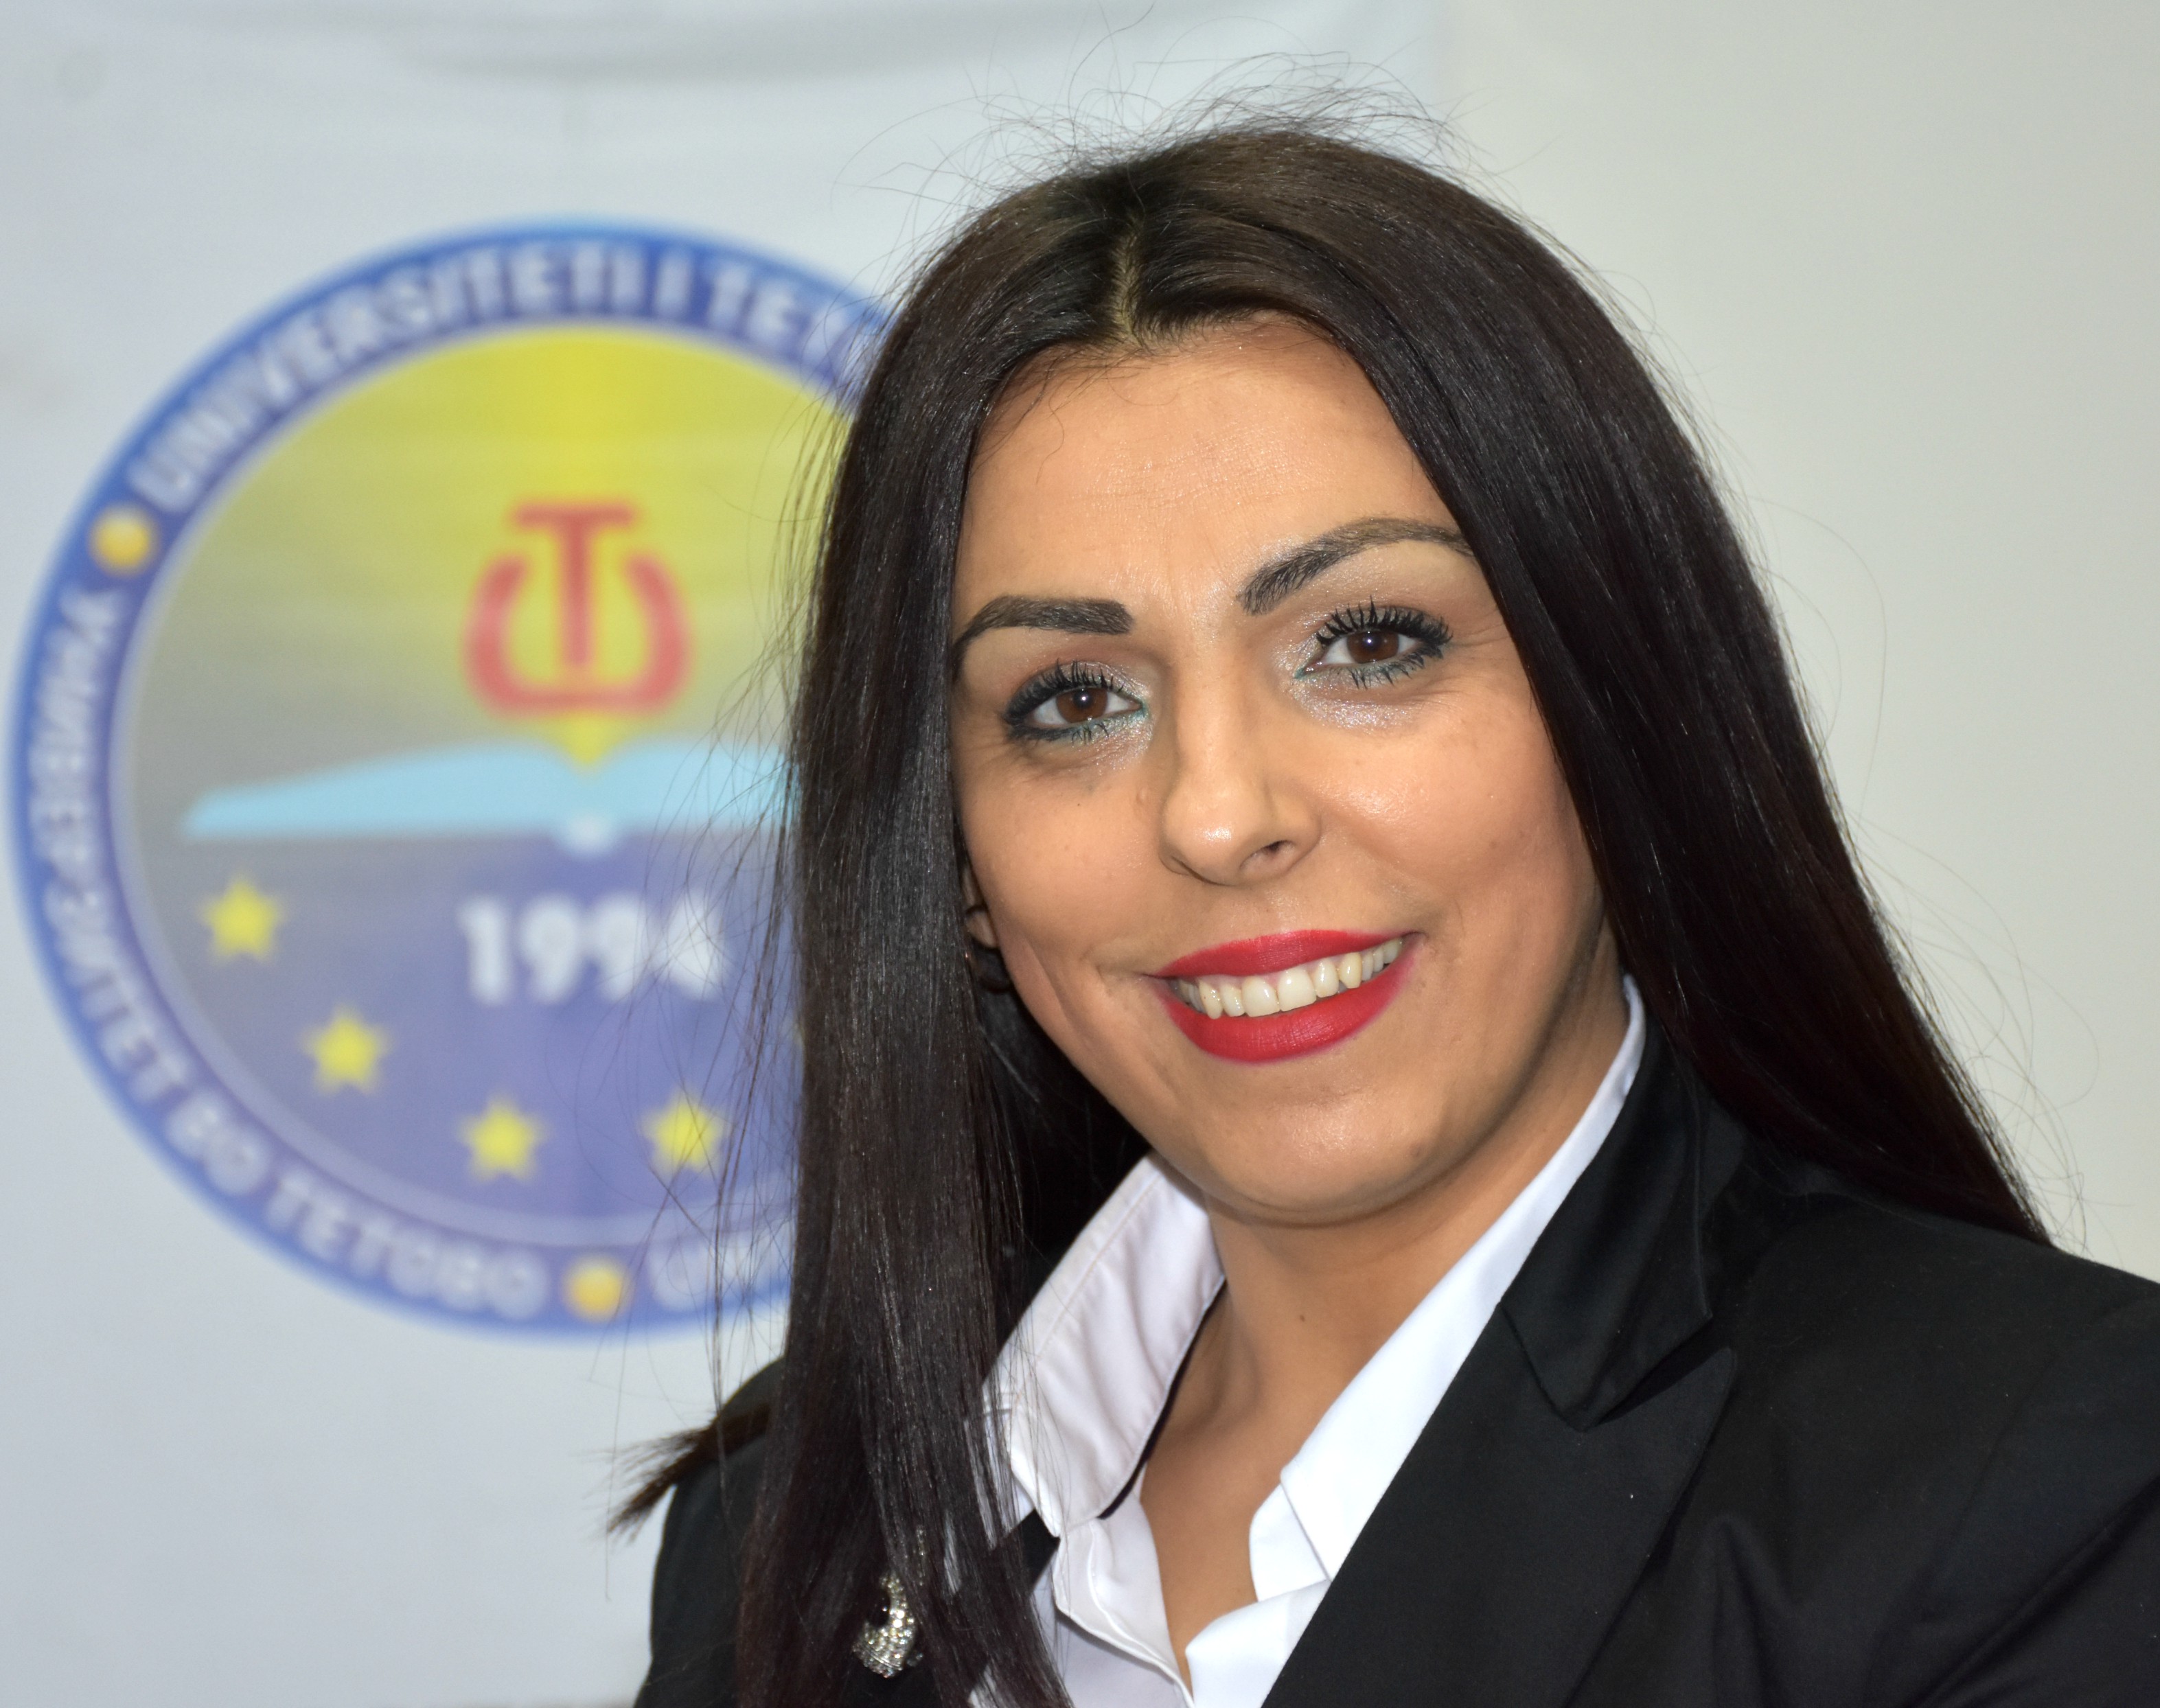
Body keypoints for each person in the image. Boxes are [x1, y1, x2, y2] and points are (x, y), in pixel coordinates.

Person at [624, 122, 2160, 1708]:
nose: (1219, 812)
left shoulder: (2049, 1493)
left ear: (1616, 707)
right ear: (953, 856)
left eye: (1366, 643)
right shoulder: (784, 1531)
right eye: (1074, 699)